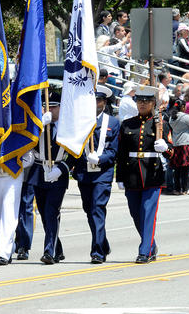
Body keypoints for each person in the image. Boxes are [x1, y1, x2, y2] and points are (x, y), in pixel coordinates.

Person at [116, 85, 172, 263]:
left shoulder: (161, 123)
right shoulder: (127, 124)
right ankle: (150, 244)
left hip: (152, 172)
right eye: (139, 100)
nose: (142, 104)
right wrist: (120, 177)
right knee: (136, 213)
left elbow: (172, 151)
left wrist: (165, 148)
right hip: (132, 173)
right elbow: (122, 153)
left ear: (153, 103)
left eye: (146, 101)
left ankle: (144, 251)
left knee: (148, 212)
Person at [71, 85, 119, 264]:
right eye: (92, 99)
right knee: (89, 210)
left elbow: (114, 151)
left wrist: (100, 159)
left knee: (97, 209)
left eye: (98, 100)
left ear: (104, 102)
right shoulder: (80, 121)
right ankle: (103, 242)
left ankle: (97, 251)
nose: (95, 103)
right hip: (84, 173)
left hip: (102, 174)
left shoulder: (112, 123)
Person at [24, 91, 71, 265]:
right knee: (44, 213)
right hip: (38, 171)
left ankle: (48, 251)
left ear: (61, 107)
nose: (50, 109)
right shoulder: (39, 124)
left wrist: (63, 168)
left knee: (52, 211)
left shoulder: (68, 127)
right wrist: (38, 127)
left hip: (57, 172)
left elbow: (75, 153)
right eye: (47, 106)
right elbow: (28, 141)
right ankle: (57, 249)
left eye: (53, 106)